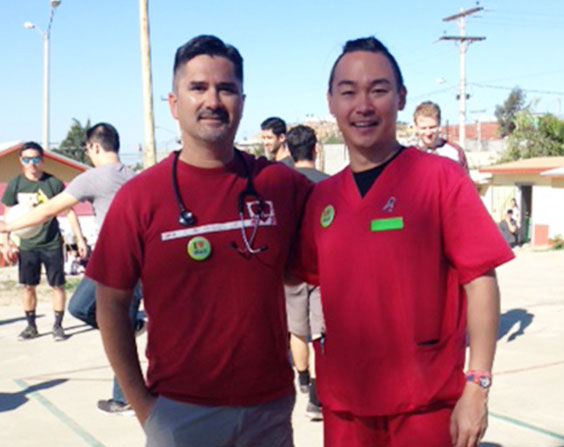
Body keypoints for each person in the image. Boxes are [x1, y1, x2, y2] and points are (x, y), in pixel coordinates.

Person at [84, 35, 312, 446]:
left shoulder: (278, 184)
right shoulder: (139, 198)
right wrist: (143, 406)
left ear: (242, 100)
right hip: (181, 415)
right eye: (198, 88)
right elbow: (111, 304)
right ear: (173, 103)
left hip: (270, 409)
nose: (213, 100)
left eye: (226, 88)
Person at [290, 37, 515, 447]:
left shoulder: (440, 180)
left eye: (378, 89)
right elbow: (298, 278)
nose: (363, 105)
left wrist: (477, 384)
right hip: (346, 408)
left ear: (400, 98)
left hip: (424, 405)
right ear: (330, 102)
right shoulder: (321, 200)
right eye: (349, 92)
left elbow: (481, 279)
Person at [0, 123, 144, 415]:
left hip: (126, 265)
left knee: (119, 334)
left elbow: (49, 209)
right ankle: (130, 328)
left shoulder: (93, 177)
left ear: (93, 148)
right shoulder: (135, 176)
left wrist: (9, 226)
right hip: (116, 261)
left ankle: (125, 398)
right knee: (80, 308)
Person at [1, 142, 87, 342]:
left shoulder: (53, 183)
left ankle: (58, 325)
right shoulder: (16, 184)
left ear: (42, 160)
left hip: (51, 243)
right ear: (21, 161)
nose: (32, 164)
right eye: (27, 159)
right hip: (28, 245)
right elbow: (7, 216)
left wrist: (79, 239)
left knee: (57, 285)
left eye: (36, 159)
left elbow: (69, 211)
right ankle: (31, 326)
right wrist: (5, 242)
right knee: (28, 286)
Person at [285, 124, 328, 420]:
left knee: (297, 329)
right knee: (320, 330)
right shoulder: (329, 184)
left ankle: (301, 376)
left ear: (289, 151)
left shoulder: (280, 184)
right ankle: (316, 393)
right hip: (324, 267)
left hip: (291, 269)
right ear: (315, 149)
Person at [414, 101, 469, 173]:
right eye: (423, 128)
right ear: (416, 128)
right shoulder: (410, 156)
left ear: (439, 124)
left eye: (432, 127)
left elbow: (465, 181)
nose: (428, 133)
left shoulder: (454, 152)